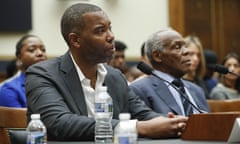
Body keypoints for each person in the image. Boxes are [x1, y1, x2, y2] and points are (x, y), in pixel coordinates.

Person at [25, 3, 188, 141]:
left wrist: (171, 123)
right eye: (100, 31)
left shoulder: (114, 76)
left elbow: (142, 113)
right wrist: (137, 127)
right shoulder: (42, 74)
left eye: (110, 28)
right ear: (75, 40)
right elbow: (59, 123)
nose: (111, 36)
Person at [130, 29, 209, 116]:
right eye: (177, 47)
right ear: (157, 56)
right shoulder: (139, 90)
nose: (187, 51)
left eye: (185, 46)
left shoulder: (197, 90)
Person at [0, 34, 47, 108]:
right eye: (32, 50)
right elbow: (18, 119)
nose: (40, 53)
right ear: (19, 57)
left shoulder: (56, 83)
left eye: (43, 49)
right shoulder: (9, 89)